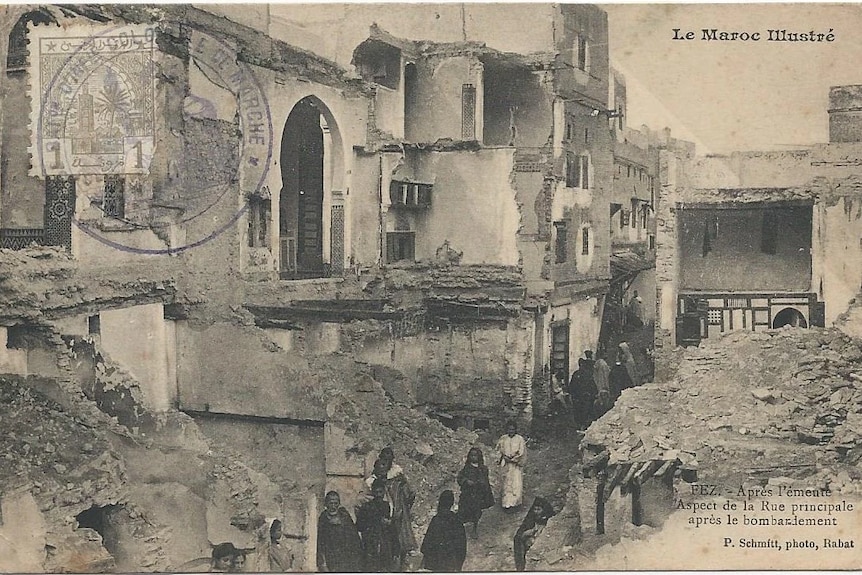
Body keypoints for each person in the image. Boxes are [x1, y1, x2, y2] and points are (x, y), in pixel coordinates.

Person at [374, 448, 417, 567]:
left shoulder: (397, 478)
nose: (385, 462)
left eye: (388, 459)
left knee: (399, 539)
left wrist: (405, 508)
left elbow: (410, 494)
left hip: (397, 512)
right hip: (383, 517)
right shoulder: (374, 481)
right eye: (384, 459)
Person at [356, 478, 399, 572]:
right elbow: (359, 526)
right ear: (373, 492)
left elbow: (393, 529)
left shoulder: (387, 506)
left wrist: (396, 550)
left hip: (385, 545)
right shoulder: (366, 507)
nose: (379, 495)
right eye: (377, 492)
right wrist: (377, 521)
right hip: (370, 545)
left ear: (384, 491)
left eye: (381, 492)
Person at [420, 490, 467, 572]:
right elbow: (462, 546)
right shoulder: (457, 520)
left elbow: (426, 545)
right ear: (451, 503)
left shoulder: (436, 519)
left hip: (435, 564)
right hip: (451, 564)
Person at [317, 491, 363, 573]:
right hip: (331, 556)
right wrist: (323, 563)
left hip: (346, 556)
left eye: (336, 503)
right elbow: (321, 542)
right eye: (331, 503)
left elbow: (354, 537)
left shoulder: (344, 515)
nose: (333, 506)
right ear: (326, 504)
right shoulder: (323, 518)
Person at [456, 447, 494, 538]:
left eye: (475, 455)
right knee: (462, 511)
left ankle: (474, 529)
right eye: (472, 455)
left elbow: (485, 481)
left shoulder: (483, 469)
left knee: (476, 512)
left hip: (477, 494)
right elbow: (460, 478)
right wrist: (466, 481)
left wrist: (481, 485)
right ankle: (459, 530)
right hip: (467, 494)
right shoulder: (467, 468)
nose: (473, 457)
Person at [513, 497, 555, 571]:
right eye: (535, 509)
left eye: (539, 509)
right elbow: (520, 534)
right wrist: (526, 533)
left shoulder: (549, 519)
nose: (536, 512)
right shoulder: (531, 517)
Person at [495, 421, 526, 512]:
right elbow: (498, 450)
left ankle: (515, 505)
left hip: (515, 466)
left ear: (516, 430)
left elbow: (522, 452)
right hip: (505, 464)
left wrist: (514, 459)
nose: (511, 431)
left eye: (513, 429)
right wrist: (503, 457)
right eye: (509, 429)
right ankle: (506, 505)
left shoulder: (520, 439)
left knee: (516, 484)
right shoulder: (503, 438)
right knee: (506, 484)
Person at [592, 350, 611, 417]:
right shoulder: (604, 365)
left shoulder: (597, 364)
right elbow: (607, 376)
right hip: (604, 386)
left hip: (598, 387)